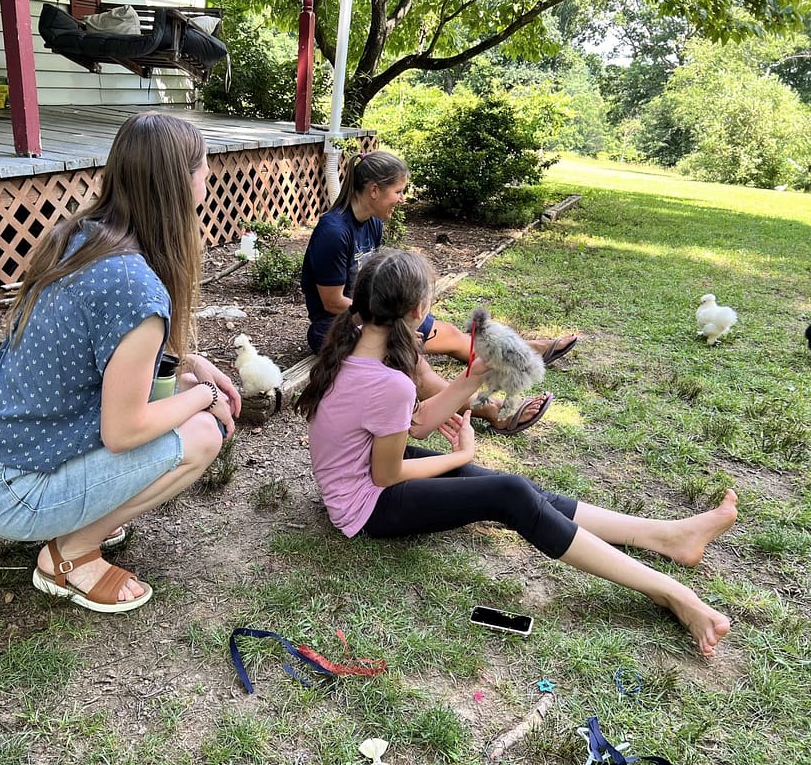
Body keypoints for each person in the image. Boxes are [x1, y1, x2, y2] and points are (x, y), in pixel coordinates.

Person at [295, 249, 736, 657]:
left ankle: (664, 536)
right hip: (365, 507)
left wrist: (475, 377)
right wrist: (458, 454)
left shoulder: (355, 342)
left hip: (362, 475)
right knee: (508, 492)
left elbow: (414, 423)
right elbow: (387, 474)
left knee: (514, 488)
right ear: (417, 310)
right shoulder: (388, 379)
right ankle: (670, 592)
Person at [0, 112, 241, 613]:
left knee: (182, 411)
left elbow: (104, 356)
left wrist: (189, 363)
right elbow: (124, 431)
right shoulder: (135, 286)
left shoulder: (82, 236)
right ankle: (70, 556)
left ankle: (79, 517)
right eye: (202, 167)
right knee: (202, 434)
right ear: (180, 183)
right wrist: (207, 395)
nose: (208, 177)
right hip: (11, 490)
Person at [300, 150, 578, 435]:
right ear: (374, 190)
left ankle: (522, 352)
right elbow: (332, 302)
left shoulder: (371, 223)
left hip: (378, 314)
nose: (402, 198)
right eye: (398, 191)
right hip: (337, 325)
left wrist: (402, 311)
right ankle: (492, 410)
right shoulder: (334, 232)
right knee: (417, 367)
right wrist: (394, 322)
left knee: (452, 336)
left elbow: (375, 282)